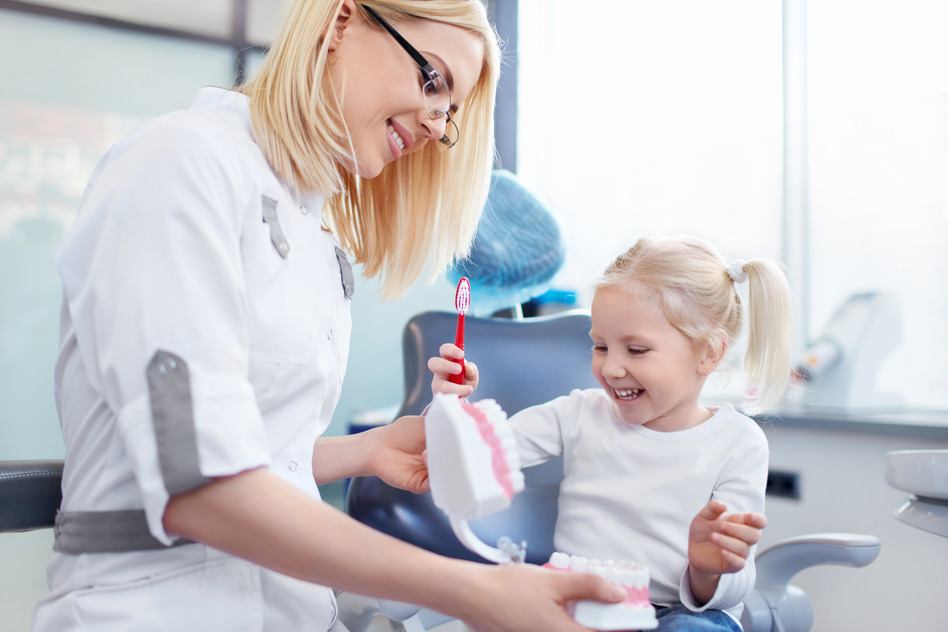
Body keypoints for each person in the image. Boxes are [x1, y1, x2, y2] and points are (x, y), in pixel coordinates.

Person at [34, 1, 628, 630]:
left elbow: (254, 447)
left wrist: (368, 450)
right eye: (433, 83)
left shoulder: (314, 229)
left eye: (449, 113)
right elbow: (201, 485)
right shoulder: (181, 165)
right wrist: (477, 591)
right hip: (153, 609)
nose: (435, 124)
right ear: (342, 21)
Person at [431, 235, 794, 631]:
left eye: (636, 350)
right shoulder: (578, 413)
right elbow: (474, 452)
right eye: (600, 347)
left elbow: (734, 587)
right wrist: (450, 406)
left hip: (681, 614)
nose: (611, 369)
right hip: (580, 603)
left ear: (709, 352)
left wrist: (707, 570)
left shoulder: (738, 443)